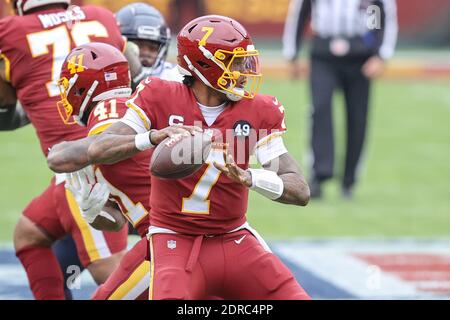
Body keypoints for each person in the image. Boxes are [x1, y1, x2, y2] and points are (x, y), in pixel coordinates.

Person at [82, 15, 311, 299]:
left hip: (235, 240)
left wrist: (250, 177)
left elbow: (299, 190)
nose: (243, 71)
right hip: (173, 241)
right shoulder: (160, 96)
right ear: (203, 65)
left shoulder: (257, 112)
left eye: (243, 61)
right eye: (234, 61)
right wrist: (151, 136)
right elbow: (99, 146)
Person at [0, 0, 129, 299]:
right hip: (112, 141)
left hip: (83, 166)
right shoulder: (101, 16)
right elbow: (131, 67)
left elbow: (5, 107)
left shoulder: (9, 32)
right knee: (29, 233)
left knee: (109, 271)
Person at [47, 42, 152, 300]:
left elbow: (61, 158)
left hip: (175, 236)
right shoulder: (127, 109)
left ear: (85, 87)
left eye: (69, 86)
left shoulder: (111, 108)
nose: (66, 95)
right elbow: (116, 222)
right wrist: (92, 212)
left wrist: (60, 151)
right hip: (166, 233)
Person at [283, 0, 398, 198]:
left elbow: (382, 13)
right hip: (323, 53)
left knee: (357, 117)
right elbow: (300, 12)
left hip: (360, 54)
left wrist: (381, 54)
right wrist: (292, 54)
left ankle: (349, 180)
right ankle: (319, 175)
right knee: (319, 110)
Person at [116, 2, 183, 89]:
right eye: (138, 46)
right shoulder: (108, 74)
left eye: (152, 48)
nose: (146, 53)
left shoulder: (174, 78)